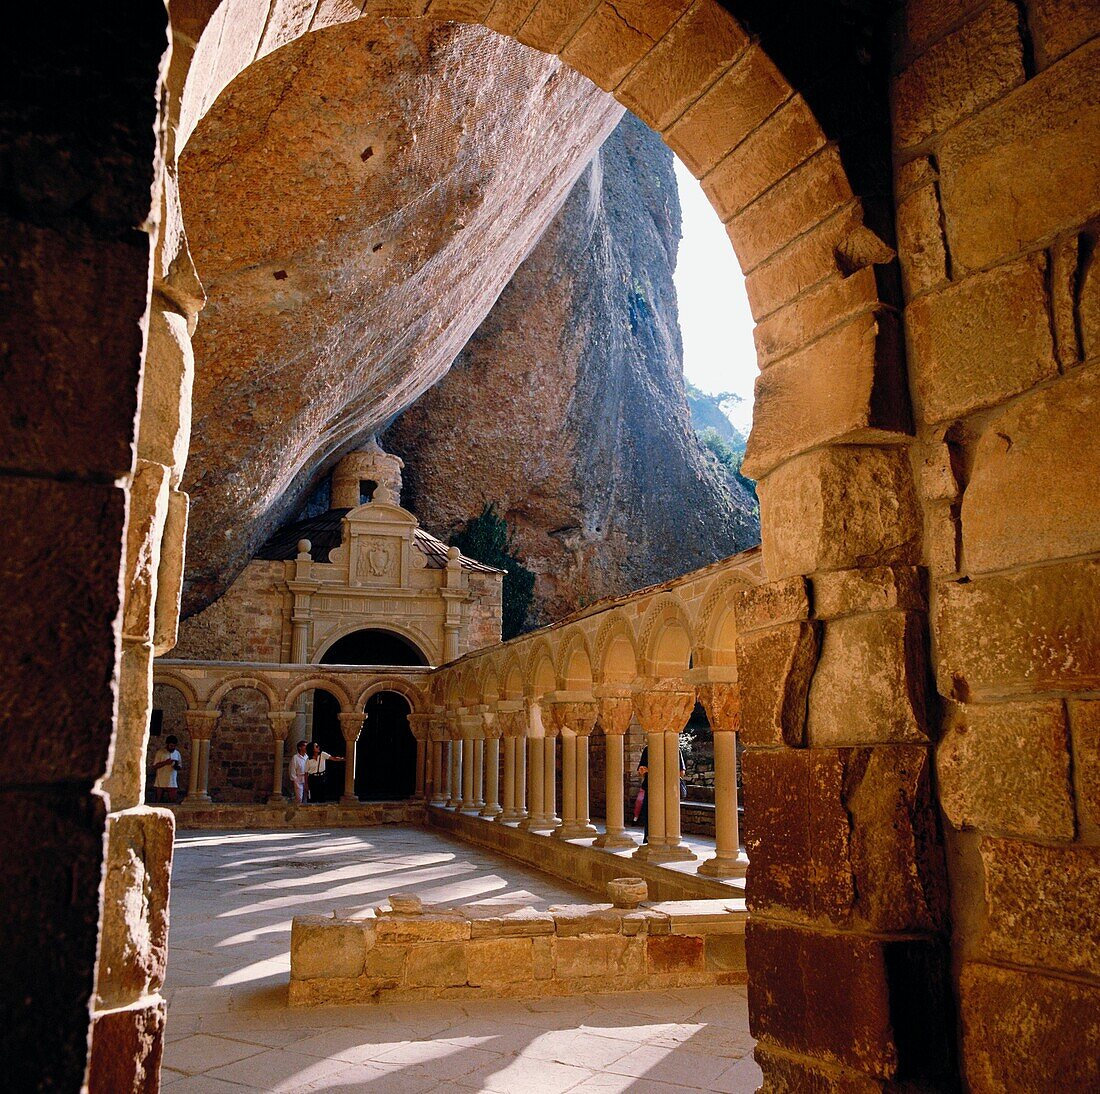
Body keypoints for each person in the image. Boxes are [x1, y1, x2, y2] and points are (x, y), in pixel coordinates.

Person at [636, 742, 686, 845]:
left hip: (669, 791)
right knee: (650, 818)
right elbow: (640, 770)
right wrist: (644, 770)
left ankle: (671, 842)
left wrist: (658, 771)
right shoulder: (648, 750)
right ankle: (649, 842)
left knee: (669, 818)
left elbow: (681, 772)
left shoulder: (674, 749)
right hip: (651, 789)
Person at [151, 736, 182, 804]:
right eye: (171, 746)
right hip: (160, 780)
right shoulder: (160, 752)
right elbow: (155, 766)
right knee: (158, 801)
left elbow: (180, 766)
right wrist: (165, 763)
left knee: (173, 801)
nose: (172, 747)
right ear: (167, 744)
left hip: (172, 781)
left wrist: (175, 766)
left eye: (174, 746)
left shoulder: (177, 753)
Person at [288, 739, 308, 804]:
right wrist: (295, 779)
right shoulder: (295, 757)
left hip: (306, 778)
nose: (306, 747)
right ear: (300, 747)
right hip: (299, 778)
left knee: (306, 796)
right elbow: (292, 769)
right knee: (299, 797)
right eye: (305, 746)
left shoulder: (307, 757)